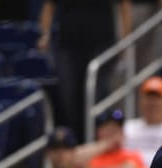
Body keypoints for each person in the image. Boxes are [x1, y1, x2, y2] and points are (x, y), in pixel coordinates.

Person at [37, 0, 124, 142]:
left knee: (95, 95)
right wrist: (45, 34)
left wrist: (124, 40)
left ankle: (95, 142)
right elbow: (49, 5)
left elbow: (124, 5)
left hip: (102, 42)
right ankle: (75, 144)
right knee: (69, 97)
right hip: (67, 44)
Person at [124, 76, 162, 167]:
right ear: (140, 101)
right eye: (148, 98)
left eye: (158, 98)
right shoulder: (127, 128)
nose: (152, 103)